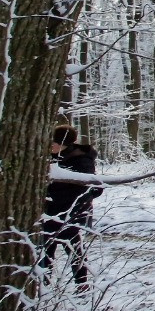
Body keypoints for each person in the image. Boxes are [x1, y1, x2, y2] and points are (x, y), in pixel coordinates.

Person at [40, 123, 102, 288]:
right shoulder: (51, 157)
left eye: (54, 142)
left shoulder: (81, 160)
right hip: (50, 212)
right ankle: (43, 286)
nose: (50, 145)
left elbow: (95, 188)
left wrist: (73, 199)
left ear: (64, 143)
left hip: (72, 213)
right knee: (46, 250)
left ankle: (82, 285)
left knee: (74, 250)